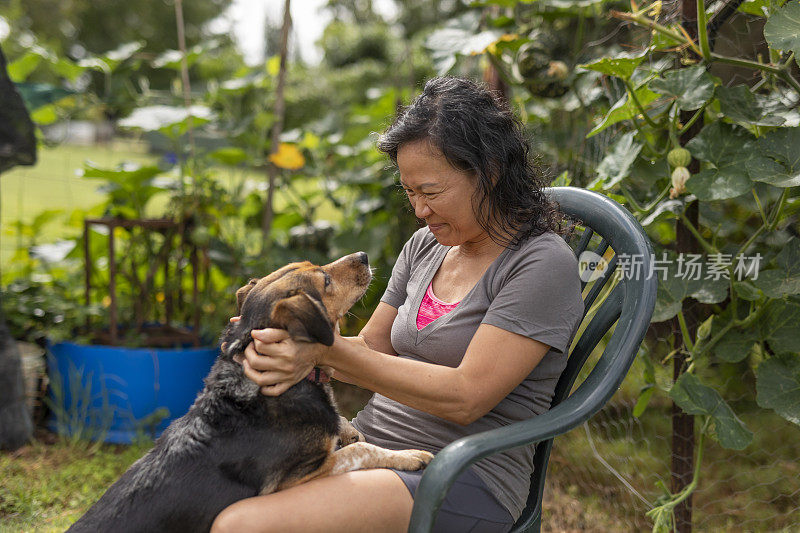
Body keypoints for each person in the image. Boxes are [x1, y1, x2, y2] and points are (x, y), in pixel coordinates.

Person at [211, 76, 585, 533]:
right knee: (215, 496)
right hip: (373, 443)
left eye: (430, 192)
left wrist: (320, 348)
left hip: (462, 473)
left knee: (243, 525)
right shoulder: (425, 247)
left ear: (489, 171)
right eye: (410, 193)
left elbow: (466, 396)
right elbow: (367, 351)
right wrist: (282, 341)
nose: (419, 210)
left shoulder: (541, 263)